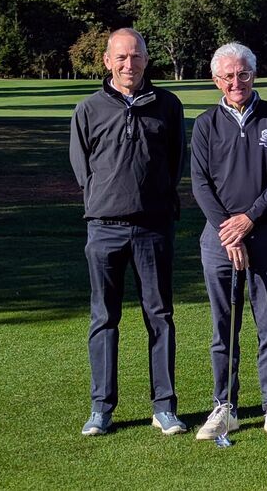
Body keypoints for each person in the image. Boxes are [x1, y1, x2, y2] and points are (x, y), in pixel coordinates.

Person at [69, 28, 187, 436]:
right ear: (107, 61)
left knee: (160, 317)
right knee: (104, 319)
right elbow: (82, 168)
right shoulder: (88, 109)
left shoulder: (168, 106)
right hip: (104, 229)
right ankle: (101, 408)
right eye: (121, 57)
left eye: (135, 57)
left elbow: (175, 162)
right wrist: (105, 199)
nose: (128, 64)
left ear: (146, 59)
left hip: (153, 228)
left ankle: (164, 406)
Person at [190, 42, 267, 442]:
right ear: (216, 80)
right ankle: (226, 406)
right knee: (224, 328)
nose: (237, 82)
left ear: (254, 74)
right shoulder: (205, 124)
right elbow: (200, 183)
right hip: (218, 239)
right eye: (228, 76)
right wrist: (228, 230)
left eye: (244, 74)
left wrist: (249, 219)